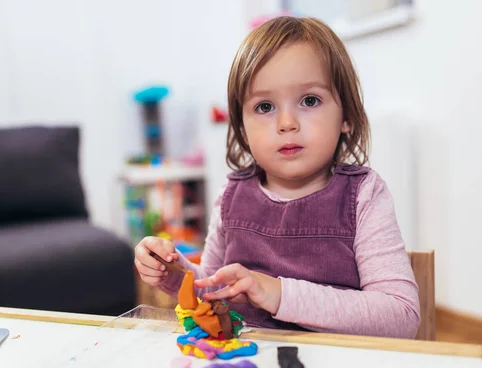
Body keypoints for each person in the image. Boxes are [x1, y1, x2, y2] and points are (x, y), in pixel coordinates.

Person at [134, 16, 420, 338]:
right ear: (242, 127)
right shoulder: (231, 197)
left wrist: (278, 294)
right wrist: (174, 273)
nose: (286, 122)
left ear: (347, 117)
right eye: (265, 106)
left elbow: (401, 317)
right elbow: (213, 291)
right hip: (251, 367)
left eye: (309, 100)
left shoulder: (363, 195)